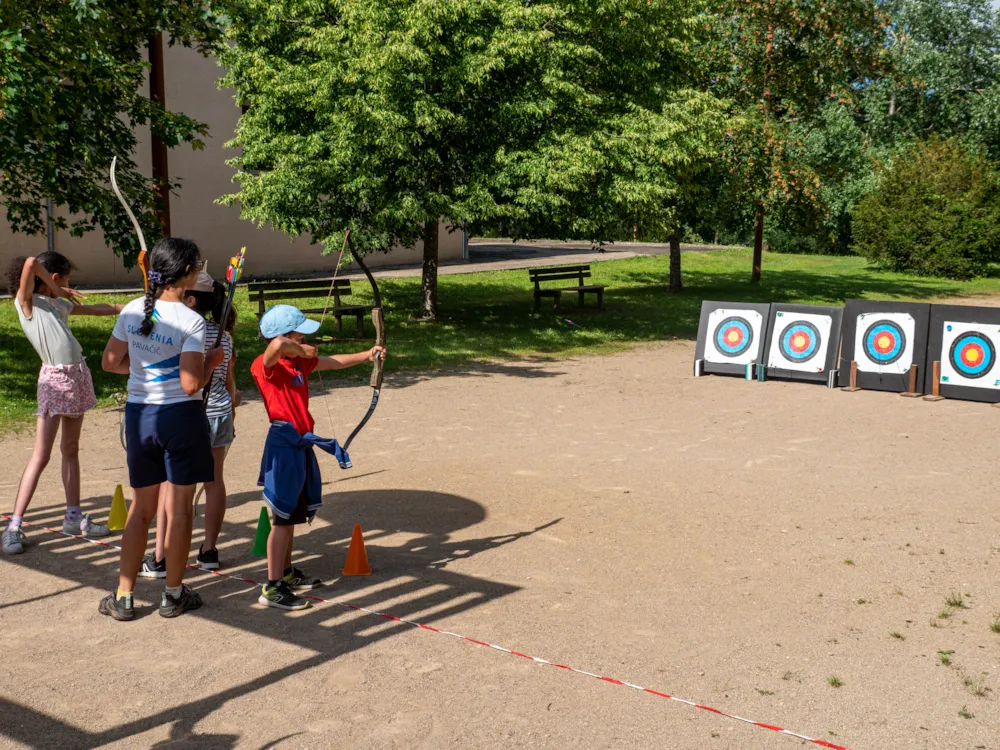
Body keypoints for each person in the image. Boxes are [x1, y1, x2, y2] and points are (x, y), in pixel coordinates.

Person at [98, 238, 223, 621]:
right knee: (181, 510)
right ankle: (172, 593)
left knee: (141, 510)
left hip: (140, 416)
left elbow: (109, 362)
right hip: (178, 419)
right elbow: (190, 384)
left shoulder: (133, 309)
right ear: (186, 273)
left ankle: (124, 595)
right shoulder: (191, 321)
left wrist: (140, 374)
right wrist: (211, 363)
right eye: (196, 266)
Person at [252, 304, 384, 610]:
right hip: (283, 446)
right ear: (287, 336)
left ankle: (284, 573)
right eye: (300, 334)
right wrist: (298, 350)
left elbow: (334, 361)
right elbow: (274, 346)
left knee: (293, 515)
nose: (305, 338)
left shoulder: (298, 364)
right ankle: (271, 587)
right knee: (282, 519)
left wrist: (368, 355)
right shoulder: (266, 366)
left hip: (300, 445)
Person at [2, 253, 123, 555]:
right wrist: (56, 289)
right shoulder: (26, 302)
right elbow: (30, 262)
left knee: (70, 450)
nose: (71, 286)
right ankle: (14, 526)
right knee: (40, 456)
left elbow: (97, 309)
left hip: (77, 375)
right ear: (54, 278)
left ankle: (73, 517)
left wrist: (133, 308)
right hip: (55, 380)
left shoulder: (58, 304)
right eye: (67, 279)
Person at [138, 273, 239, 577]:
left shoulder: (182, 329)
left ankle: (161, 556)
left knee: (173, 485)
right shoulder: (225, 336)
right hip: (219, 410)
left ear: (191, 300)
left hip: (189, 413)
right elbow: (230, 385)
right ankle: (209, 551)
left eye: (180, 292)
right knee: (214, 482)